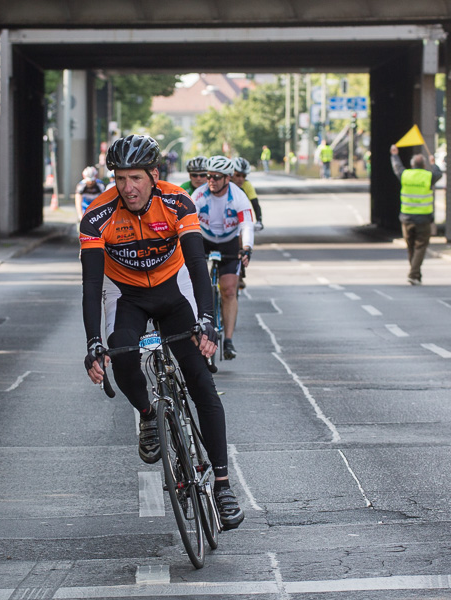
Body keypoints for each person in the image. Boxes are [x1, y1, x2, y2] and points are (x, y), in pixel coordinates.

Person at [79, 135, 244, 530]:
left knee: (201, 381)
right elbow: (91, 285)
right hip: (126, 293)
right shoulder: (97, 217)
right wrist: (93, 343)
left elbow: (197, 262)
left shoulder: (177, 202)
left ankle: (223, 486)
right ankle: (148, 414)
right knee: (121, 351)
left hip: (173, 288)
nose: (128, 187)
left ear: (154, 174)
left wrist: (207, 320)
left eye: (136, 177)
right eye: (120, 178)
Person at [191, 155, 256, 361]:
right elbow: (186, 221)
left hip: (229, 241)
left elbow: (247, 225)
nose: (211, 180)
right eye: (209, 176)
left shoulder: (238, 196)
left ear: (228, 178)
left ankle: (228, 340)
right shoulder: (199, 195)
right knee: (193, 284)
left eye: (217, 177)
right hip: (205, 238)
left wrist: (246, 248)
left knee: (228, 290)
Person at [390, 144, 442, 285]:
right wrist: (434, 163)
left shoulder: (405, 175)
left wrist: (394, 155)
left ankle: (415, 274)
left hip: (407, 218)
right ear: (424, 165)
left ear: (412, 165)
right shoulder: (428, 176)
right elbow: (438, 174)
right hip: (423, 219)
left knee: (411, 246)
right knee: (420, 247)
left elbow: (397, 167)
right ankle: (414, 274)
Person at [230, 157, 263, 228]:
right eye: (238, 175)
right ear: (231, 174)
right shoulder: (225, 184)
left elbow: (255, 204)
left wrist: (259, 221)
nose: (241, 179)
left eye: (244, 176)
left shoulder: (247, 184)